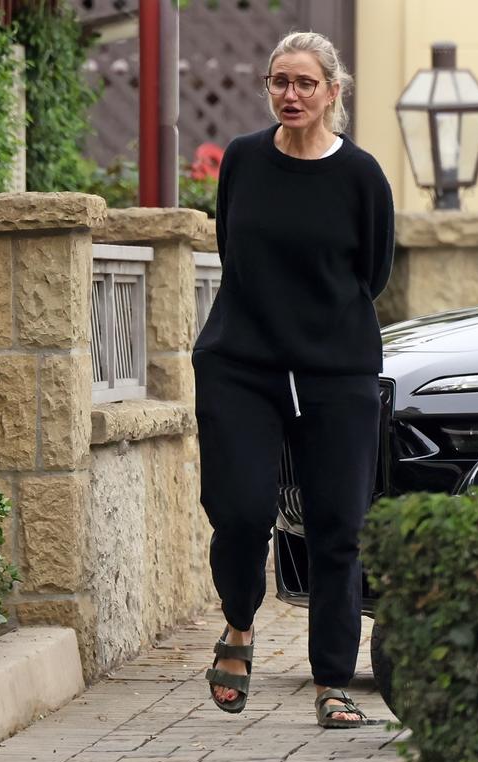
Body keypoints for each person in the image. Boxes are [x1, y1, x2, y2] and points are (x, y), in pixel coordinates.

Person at [194, 31, 394, 726]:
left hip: (336, 368)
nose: (291, 94)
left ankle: (332, 683)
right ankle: (240, 625)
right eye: (280, 81)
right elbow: (232, 247)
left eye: (306, 83)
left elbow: (373, 272)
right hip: (241, 361)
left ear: (333, 92)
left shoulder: (362, 175)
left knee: (338, 526)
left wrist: (321, 335)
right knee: (242, 510)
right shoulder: (245, 161)